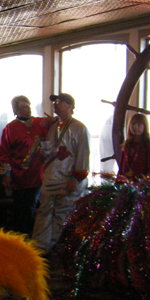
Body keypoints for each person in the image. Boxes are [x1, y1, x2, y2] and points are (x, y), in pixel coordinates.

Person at [32, 92, 90, 252]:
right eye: (55, 102)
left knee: (61, 214)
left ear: (70, 106)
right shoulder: (54, 126)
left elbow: (83, 154)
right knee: (43, 211)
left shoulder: (80, 128)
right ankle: (39, 247)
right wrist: (45, 153)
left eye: (59, 102)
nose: (55, 104)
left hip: (67, 179)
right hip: (51, 177)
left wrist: (76, 177)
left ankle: (50, 246)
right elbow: (50, 149)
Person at [0, 95, 55, 235]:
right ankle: (19, 236)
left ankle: (29, 235)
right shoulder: (10, 128)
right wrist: (6, 174)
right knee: (19, 208)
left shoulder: (39, 123)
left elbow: (56, 128)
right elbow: (4, 153)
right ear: (16, 110)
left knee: (31, 206)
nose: (27, 109)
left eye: (28, 106)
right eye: (24, 106)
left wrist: (53, 121)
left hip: (37, 173)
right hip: (18, 175)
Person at [118, 113, 150, 179]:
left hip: (140, 181)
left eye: (139, 125)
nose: (135, 127)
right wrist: (119, 178)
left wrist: (147, 180)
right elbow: (121, 164)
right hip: (125, 180)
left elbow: (149, 166)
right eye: (133, 124)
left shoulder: (148, 145)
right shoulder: (127, 144)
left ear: (145, 127)